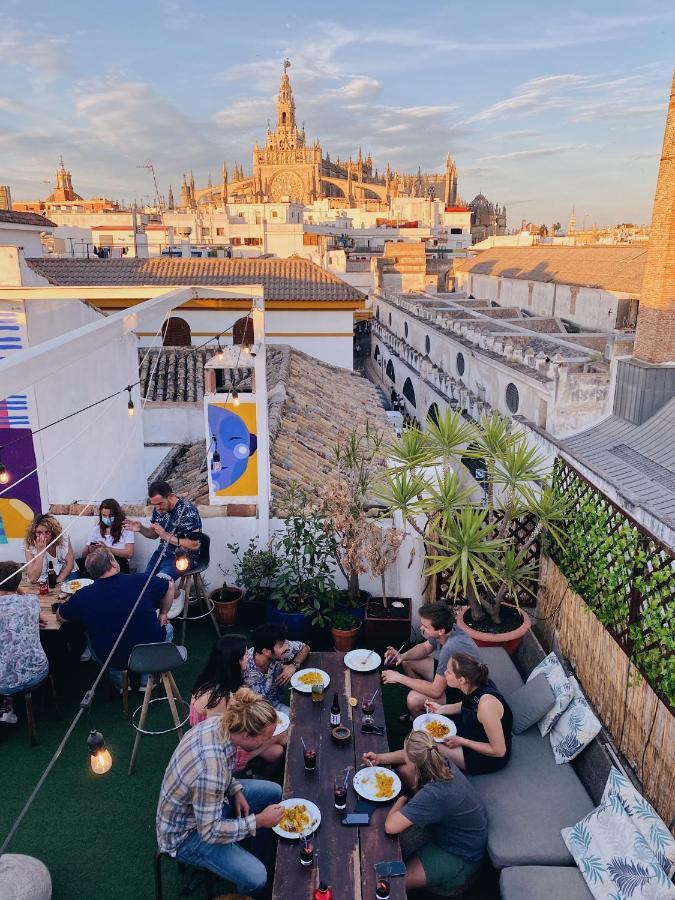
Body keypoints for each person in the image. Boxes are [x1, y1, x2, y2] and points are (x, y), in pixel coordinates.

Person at [157, 687, 284, 897]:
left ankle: (261, 856)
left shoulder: (221, 723)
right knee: (257, 877)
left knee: (273, 792)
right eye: (266, 737)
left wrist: (234, 789)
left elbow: (224, 769)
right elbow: (209, 831)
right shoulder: (210, 770)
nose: (269, 741)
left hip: (209, 803)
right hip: (187, 835)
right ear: (246, 735)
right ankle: (248, 892)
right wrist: (259, 821)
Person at [363, 730, 487, 893]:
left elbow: (390, 826)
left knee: (388, 883)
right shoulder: (439, 758)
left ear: (414, 762)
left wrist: (402, 799)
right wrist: (380, 758)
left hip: (460, 854)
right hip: (444, 828)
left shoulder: (435, 794)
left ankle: (455, 881)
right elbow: (408, 755)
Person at [55, 546, 174, 691]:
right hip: (147, 652)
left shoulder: (83, 595)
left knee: (88, 634)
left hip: (111, 656)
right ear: (113, 563)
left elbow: (60, 617)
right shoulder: (141, 580)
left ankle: (121, 682)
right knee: (168, 627)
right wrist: (163, 613)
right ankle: (146, 679)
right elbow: (169, 587)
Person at [190, 635, 286, 774]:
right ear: (236, 661)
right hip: (221, 750)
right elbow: (219, 739)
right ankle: (256, 772)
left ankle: (257, 767)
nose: (249, 657)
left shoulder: (214, 677)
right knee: (278, 747)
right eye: (246, 655)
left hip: (229, 731)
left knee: (279, 737)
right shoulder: (218, 697)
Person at [381, 601, 479, 718]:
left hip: (463, 693)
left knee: (413, 699)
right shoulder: (449, 629)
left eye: (426, 627)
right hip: (451, 675)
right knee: (407, 661)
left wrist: (399, 677)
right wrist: (402, 656)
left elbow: (436, 691)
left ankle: (425, 724)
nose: (421, 628)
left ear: (441, 630)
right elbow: (425, 648)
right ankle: (423, 693)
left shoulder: (450, 648)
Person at [428, 652, 513, 775]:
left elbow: (499, 751)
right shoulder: (473, 685)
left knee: (427, 744)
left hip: (488, 756)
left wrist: (462, 741)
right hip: (473, 732)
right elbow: (468, 704)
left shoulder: (486, 706)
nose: (444, 673)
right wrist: (441, 709)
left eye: (448, 671)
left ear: (462, 680)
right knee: (428, 731)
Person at [0, 561, 50, 725]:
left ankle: (7, 708)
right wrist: (16, 588)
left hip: (4, 683)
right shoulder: (31, 601)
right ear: (18, 582)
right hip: (37, 672)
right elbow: (23, 598)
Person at [124, 481, 202, 582]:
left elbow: (194, 545)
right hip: (162, 552)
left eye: (160, 503)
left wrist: (166, 536)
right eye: (154, 505)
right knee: (145, 582)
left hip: (184, 557)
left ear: (171, 496)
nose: (158, 508)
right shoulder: (158, 509)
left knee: (161, 583)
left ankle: (178, 594)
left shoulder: (187, 511)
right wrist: (141, 529)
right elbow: (154, 535)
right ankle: (172, 593)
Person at [242, 623, 310, 715]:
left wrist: (293, 666)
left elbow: (305, 648)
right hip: (252, 713)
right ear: (266, 651)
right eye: (281, 645)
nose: (286, 647)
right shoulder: (243, 665)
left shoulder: (281, 651)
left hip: (276, 707)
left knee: (300, 718)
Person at [79, 499, 134, 574]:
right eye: (104, 516)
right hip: (98, 561)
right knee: (77, 564)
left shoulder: (126, 528)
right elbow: (85, 553)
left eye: (110, 516)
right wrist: (89, 549)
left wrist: (107, 549)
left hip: (118, 562)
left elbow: (129, 554)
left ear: (117, 514)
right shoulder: (97, 529)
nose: (107, 518)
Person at [24, 514, 75, 585]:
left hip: (65, 574)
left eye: (47, 532)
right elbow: (32, 578)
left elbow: (70, 564)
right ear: (34, 533)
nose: (43, 536)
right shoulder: (30, 546)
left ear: (53, 532)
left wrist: (56, 582)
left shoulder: (62, 538)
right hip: (43, 578)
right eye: (39, 532)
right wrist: (40, 552)